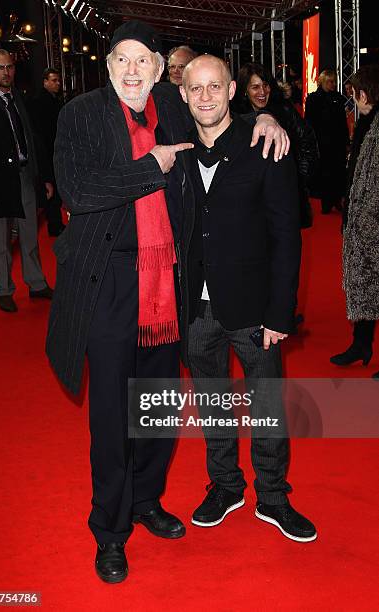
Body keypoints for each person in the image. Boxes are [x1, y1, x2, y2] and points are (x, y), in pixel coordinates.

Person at [45, 20, 289, 584]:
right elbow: (78, 191)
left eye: (143, 62)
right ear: (108, 66)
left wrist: (266, 119)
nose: (133, 70)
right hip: (108, 283)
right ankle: (110, 529)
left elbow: (217, 120)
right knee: (111, 415)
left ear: (160, 71)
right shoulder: (79, 113)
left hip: (166, 286)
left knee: (154, 407)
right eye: (122, 60)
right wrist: (147, 168)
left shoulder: (170, 109)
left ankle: (147, 501)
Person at [178, 54, 317, 542]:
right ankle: (225, 485)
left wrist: (281, 310)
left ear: (231, 90)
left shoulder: (264, 144)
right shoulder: (173, 149)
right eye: (196, 89)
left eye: (215, 87)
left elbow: (286, 235)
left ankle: (274, 496)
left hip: (255, 307)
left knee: (266, 405)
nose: (205, 97)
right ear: (182, 94)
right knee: (212, 402)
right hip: (195, 307)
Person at [0, 49, 54, 312]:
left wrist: (42, 176)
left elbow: (34, 139)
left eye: (9, 67)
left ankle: (36, 283)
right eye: (0, 67)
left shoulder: (20, 98)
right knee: (0, 239)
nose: (6, 72)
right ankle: (4, 289)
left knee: (29, 233)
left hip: (24, 174)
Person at [330, 65, 379, 379]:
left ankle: (362, 344)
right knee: (366, 287)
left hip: (372, 222)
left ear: (365, 93)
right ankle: (361, 344)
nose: (353, 100)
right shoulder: (367, 124)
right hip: (362, 220)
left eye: (355, 94)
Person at [233, 62, 319, 229]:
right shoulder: (235, 117)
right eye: (255, 87)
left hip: (283, 194)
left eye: (265, 85)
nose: (262, 92)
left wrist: (297, 177)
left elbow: (307, 141)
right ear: (244, 90)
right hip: (250, 197)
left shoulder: (284, 109)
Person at [305, 69, 349, 214]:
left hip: (337, 143)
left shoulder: (338, 98)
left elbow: (343, 122)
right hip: (322, 143)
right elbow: (309, 123)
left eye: (334, 81)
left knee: (338, 171)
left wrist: (346, 141)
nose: (333, 84)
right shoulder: (313, 99)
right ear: (323, 81)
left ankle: (336, 199)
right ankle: (326, 202)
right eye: (330, 81)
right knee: (325, 173)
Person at [28, 67, 65, 236]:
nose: (57, 84)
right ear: (45, 82)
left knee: (55, 190)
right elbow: (40, 132)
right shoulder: (39, 102)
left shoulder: (54, 100)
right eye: (53, 80)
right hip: (46, 153)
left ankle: (56, 223)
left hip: (53, 152)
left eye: (58, 80)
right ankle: (54, 224)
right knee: (51, 189)